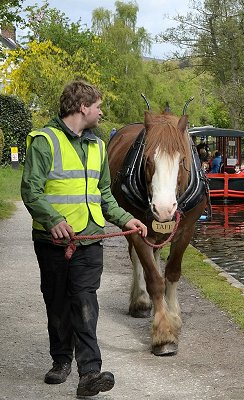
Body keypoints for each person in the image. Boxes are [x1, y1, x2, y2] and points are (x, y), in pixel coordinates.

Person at [21, 80, 148, 397]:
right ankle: (61, 360)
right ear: (82, 107)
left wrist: (125, 218)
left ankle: (89, 373)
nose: (101, 111)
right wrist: (53, 220)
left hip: (90, 240)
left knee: (85, 301)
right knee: (58, 303)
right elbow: (31, 192)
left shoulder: (98, 146)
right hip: (53, 244)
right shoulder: (43, 141)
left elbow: (104, 195)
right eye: (98, 106)